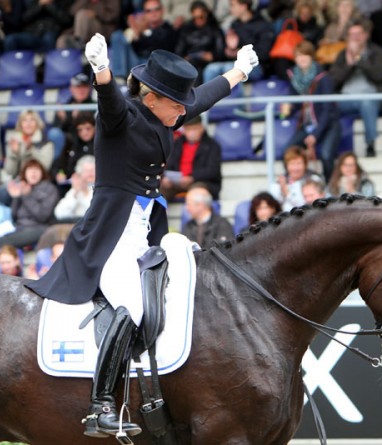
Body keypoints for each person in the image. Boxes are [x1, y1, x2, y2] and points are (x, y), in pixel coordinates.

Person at [26, 32, 258, 438]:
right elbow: (110, 101)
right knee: (131, 306)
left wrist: (239, 72)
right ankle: (100, 406)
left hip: (147, 232)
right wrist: (101, 70)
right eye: (176, 105)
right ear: (151, 97)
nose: (182, 112)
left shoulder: (165, 114)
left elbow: (201, 98)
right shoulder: (123, 118)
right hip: (111, 236)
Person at [281, 40, 341, 182]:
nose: (302, 59)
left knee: (326, 155)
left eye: (305, 55)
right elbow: (296, 104)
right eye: (298, 56)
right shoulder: (294, 78)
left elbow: (327, 110)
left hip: (328, 125)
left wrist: (315, 134)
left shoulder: (324, 78)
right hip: (307, 125)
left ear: (311, 57)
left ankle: (329, 189)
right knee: (288, 151)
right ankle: (296, 184)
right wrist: (287, 109)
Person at [328, 18, 382, 157]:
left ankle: (370, 143)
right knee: (327, 107)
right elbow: (334, 81)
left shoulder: (376, 52)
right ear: (348, 37)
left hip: (370, 98)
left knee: (367, 103)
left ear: (366, 35)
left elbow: (378, 76)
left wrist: (359, 60)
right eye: (352, 35)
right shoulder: (342, 55)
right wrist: (349, 65)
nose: (356, 38)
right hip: (346, 99)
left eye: (359, 34)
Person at [0, 159, 59, 250]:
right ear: (24, 174)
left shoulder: (49, 189)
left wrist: (27, 195)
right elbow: (14, 216)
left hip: (39, 228)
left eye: (36, 170)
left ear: (42, 173)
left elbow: (43, 216)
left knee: (0, 242)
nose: (33, 173)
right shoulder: (23, 187)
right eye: (30, 170)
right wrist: (16, 197)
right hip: (19, 227)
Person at [202, 0, 274, 83]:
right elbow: (228, 51)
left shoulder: (263, 25)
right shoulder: (234, 25)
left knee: (230, 69)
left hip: (257, 66)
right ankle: (209, 96)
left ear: (243, 6)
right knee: (211, 69)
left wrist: (238, 52)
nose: (230, 9)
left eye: (233, 5)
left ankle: (238, 95)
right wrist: (229, 50)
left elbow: (264, 53)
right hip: (235, 62)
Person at [109, 0, 176, 81]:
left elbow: (157, 49)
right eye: (149, 11)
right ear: (145, 14)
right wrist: (137, 32)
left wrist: (140, 30)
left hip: (154, 65)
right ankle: (119, 78)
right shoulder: (144, 29)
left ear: (163, 10)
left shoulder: (169, 29)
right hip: (137, 62)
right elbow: (137, 49)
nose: (153, 13)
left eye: (156, 9)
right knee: (118, 35)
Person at [0, 110, 55, 206]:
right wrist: (14, 153)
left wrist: (30, 150)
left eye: (32, 120)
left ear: (37, 123)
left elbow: (45, 167)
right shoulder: (14, 142)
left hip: (39, 183)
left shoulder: (46, 142)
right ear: (20, 124)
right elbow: (10, 171)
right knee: (3, 192)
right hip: (20, 181)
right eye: (24, 120)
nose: (28, 124)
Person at [161, 115, 222, 201]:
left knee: (197, 191)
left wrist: (192, 177)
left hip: (201, 182)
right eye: (188, 129)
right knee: (158, 191)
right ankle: (158, 214)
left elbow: (212, 170)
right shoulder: (177, 144)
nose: (191, 133)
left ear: (201, 128)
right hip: (177, 183)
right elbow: (169, 164)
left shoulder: (212, 145)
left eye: (194, 129)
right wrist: (167, 179)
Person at [174, 0, 225, 85]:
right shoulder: (186, 30)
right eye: (195, 18)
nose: (198, 20)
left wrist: (212, 56)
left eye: (201, 17)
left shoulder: (215, 29)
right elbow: (179, 51)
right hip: (191, 61)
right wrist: (184, 58)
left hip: (208, 62)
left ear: (206, 14)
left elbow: (221, 51)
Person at [47, 73, 95, 159]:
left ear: (89, 89)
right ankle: (57, 168)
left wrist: (76, 119)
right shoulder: (64, 108)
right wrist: (66, 119)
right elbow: (58, 130)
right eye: (78, 87)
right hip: (69, 148)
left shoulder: (95, 106)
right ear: (71, 88)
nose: (81, 90)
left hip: (92, 145)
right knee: (54, 133)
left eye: (84, 87)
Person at [50, 111, 96, 197]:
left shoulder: (101, 145)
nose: (84, 132)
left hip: (97, 187)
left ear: (94, 128)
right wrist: (59, 174)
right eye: (80, 129)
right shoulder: (71, 145)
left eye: (88, 128)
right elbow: (58, 166)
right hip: (74, 188)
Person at [3, 0, 72, 52]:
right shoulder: (32, 2)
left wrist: (50, 5)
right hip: (33, 33)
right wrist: (40, 5)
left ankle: (47, 67)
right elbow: (25, 18)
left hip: (51, 31)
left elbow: (66, 20)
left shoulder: (61, 2)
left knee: (49, 41)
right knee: (10, 40)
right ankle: (12, 68)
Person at [269, 145, 322, 211]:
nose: (295, 168)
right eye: (292, 164)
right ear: (286, 166)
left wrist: (287, 193)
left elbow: (308, 204)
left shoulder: (314, 179)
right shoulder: (279, 182)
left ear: (305, 164)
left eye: (299, 163)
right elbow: (272, 205)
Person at [182, 183, 234, 247]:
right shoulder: (188, 226)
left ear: (200, 205)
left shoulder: (222, 224)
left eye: (189, 204)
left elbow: (225, 250)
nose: (187, 208)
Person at [57, 0, 121, 48]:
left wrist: (95, 12)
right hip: (82, 31)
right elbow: (72, 11)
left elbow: (113, 15)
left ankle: (80, 44)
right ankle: (67, 62)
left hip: (103, 29)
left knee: (83, 15)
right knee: (62, 40)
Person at [54, 155, 95, 223]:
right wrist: (75, 193)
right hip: (76, 226)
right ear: (80, 174)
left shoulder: (102, 189)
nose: (90, 174)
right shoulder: (75, 190)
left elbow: (95, 212)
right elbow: (59, 214)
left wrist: (85, 192)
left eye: (92, 170)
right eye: (87, 171)